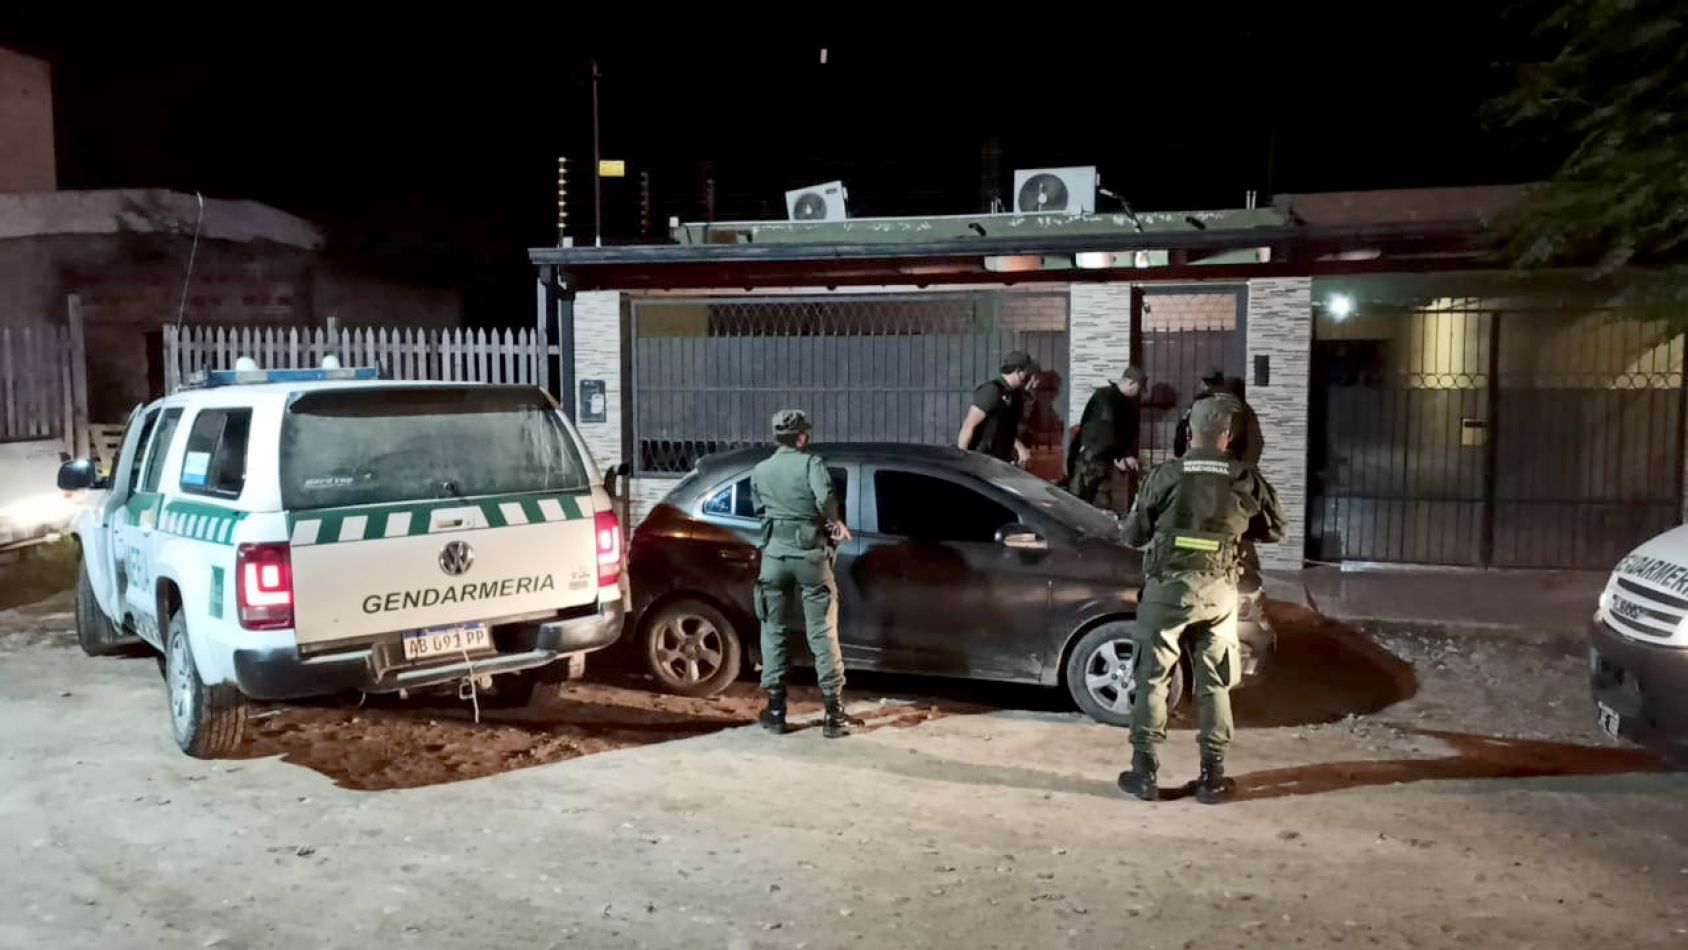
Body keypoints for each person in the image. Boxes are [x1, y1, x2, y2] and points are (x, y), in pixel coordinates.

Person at [1116, 396, 1285, 805]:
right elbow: (1274, 530)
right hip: (1219, 593)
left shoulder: (1165, 475)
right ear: (1227, 436)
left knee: (1152, 677)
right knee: (1215, 683)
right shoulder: (1246, 478)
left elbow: (1133, 536)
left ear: (1189, 432)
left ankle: (1144, 771)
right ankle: (1213, 776)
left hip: (1167, 590)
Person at [751, 409, 862, 739]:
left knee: (773, 630)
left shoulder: (761, 469)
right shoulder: (811, 464)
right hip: (810, 555)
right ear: (801, 437)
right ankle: (833, 713)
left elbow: (760, 510)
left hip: (774, 557)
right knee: (822, 631)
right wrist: (834, 521)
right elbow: (825, 498)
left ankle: (775, 710)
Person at [1067, 366, 1147, 510]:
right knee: (1079, 504)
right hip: (1091, 461)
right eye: (1139, 389)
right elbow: (1106, 431)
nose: (1139, 394)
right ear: (1131, 383)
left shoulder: (1119, 400)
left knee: (1100, 505)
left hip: (1101, 460)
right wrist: (1122, 454)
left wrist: (1121, 455)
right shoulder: (1106, 398)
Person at [958, 351, 1037, 466]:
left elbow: (1008, 429)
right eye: (1027, 372)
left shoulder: (1014, 394)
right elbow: (968, 425)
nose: (1030, 377)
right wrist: (961, 460)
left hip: (1000, 460)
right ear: (1018, 371)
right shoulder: (992, 391)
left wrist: (1020, 448)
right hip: (981, 459)